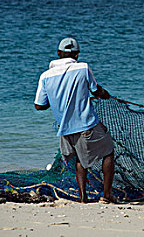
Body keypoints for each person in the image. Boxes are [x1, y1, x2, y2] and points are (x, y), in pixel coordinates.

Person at [34, 38, 115, 203]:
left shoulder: (45, 76)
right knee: (108, 152)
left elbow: (39, 106)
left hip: (65, 130)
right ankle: (107, 195)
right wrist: (104, 94)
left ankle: (83, 197)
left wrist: (56, 99)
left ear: (58, 54)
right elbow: (95, 89)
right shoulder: (83, 67)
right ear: (76, 54)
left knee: (80, 159)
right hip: (86, 124)